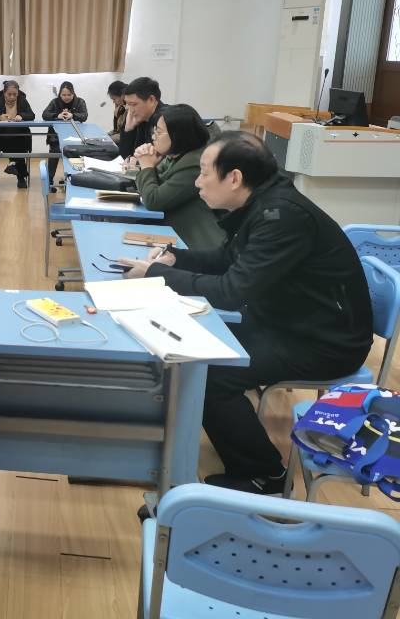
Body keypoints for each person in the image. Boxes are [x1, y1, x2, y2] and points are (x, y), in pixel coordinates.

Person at [119, 133, 373, 495]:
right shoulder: (264, 203)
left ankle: (264, 475)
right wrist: (177, 258)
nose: (197, 182)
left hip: (325, 342)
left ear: (234, 178)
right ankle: (170, 441)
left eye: (205, 173)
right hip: (288, 322)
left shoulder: (282, 216)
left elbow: (232, 290)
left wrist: (159, 274)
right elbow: (229, 259)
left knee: (212, 372)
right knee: (191, 348)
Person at [131, 104, 224, 249]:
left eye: (159, 132)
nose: (153, 137)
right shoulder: (175, 155)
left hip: (197, 243)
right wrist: (147, 165)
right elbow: (151, 186)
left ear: (178, 135)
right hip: (173, 233)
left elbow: (153, 200)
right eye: (154, 131)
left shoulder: (195, 163)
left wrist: (147, 166)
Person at [0, 80, 35, 188]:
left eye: (15, 94)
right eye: (9, 94)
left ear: (18, 93)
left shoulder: (22, 101)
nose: (12, 97)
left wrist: (22, 116)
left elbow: (32, 115)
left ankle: (13, 164)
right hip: (2, 137)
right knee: (16, 147)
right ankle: (20, 175)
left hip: (20, 136)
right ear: (4, 92)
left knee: (17, 142)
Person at [41, 81, 88, 191]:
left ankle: (74, 180)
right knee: (54, 154)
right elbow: (45, 114)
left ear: (73, 93)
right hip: (55, 136)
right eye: (63, 95)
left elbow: (84, 116)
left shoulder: (80, 101)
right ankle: (49, 181)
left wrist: (73, 115)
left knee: (75, 156)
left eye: (69, 95)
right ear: (60, 94)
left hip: (75, 137)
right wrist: (57, 115)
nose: (66, 97)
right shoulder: (55, 102)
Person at [117, 77, 164, 159]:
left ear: (151, 100)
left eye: (133, 104)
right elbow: (125, 158)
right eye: (128, 104)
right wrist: (128, 130)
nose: (131, 111)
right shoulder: (139, 117)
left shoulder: (165, 121)